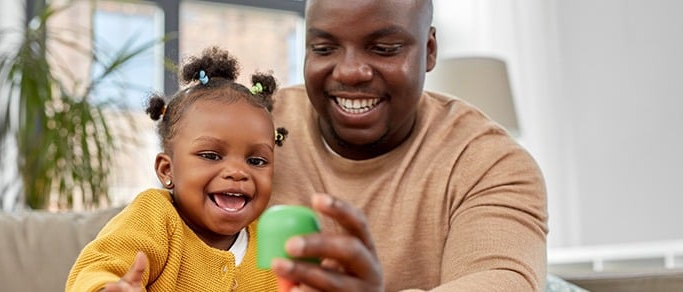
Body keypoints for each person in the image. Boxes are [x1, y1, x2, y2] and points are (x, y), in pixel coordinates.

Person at [267, 0, 548, 291]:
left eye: (384, 48)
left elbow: (504, 280)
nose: (349, 72)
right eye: (323, 49)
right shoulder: (258, 126)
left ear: (429, 50)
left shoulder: (489, 161)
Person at [66, 46, 287, 292]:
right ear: (166, 170)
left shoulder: (272, 243)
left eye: (256, 161)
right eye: (211, 155)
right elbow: (97, 268)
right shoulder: (155, 216)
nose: (237, 172)